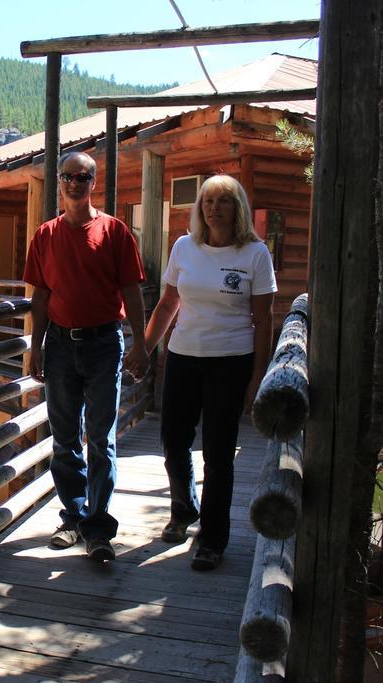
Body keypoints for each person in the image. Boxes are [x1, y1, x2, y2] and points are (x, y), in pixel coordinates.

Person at [144, 175, 276, 571]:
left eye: (223, 201)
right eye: (207, 201)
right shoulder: (185, 247)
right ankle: (184, 509)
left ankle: (213, 538)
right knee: (173, 440)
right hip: (183, 357)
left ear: (238, 208)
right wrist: (145, 348)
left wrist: (257, 377)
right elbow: (168, 303)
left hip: (230, 360)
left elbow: (264, 319)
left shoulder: (254, 253)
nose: (214, 208)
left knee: (219, 453)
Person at [23, 151, 150, 562]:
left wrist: (141, 344)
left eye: (82, 177)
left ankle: (98, 528)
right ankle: (73, 518)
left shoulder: (114, 232)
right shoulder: (45, 235)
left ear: (94, 182)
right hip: (59, 345)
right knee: (63, 438)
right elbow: (40, 296)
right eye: (67, 177)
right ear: (59, 183)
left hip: (102, 345)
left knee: (100, 436)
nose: (74, 183)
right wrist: (35, 346)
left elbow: (132, 291)